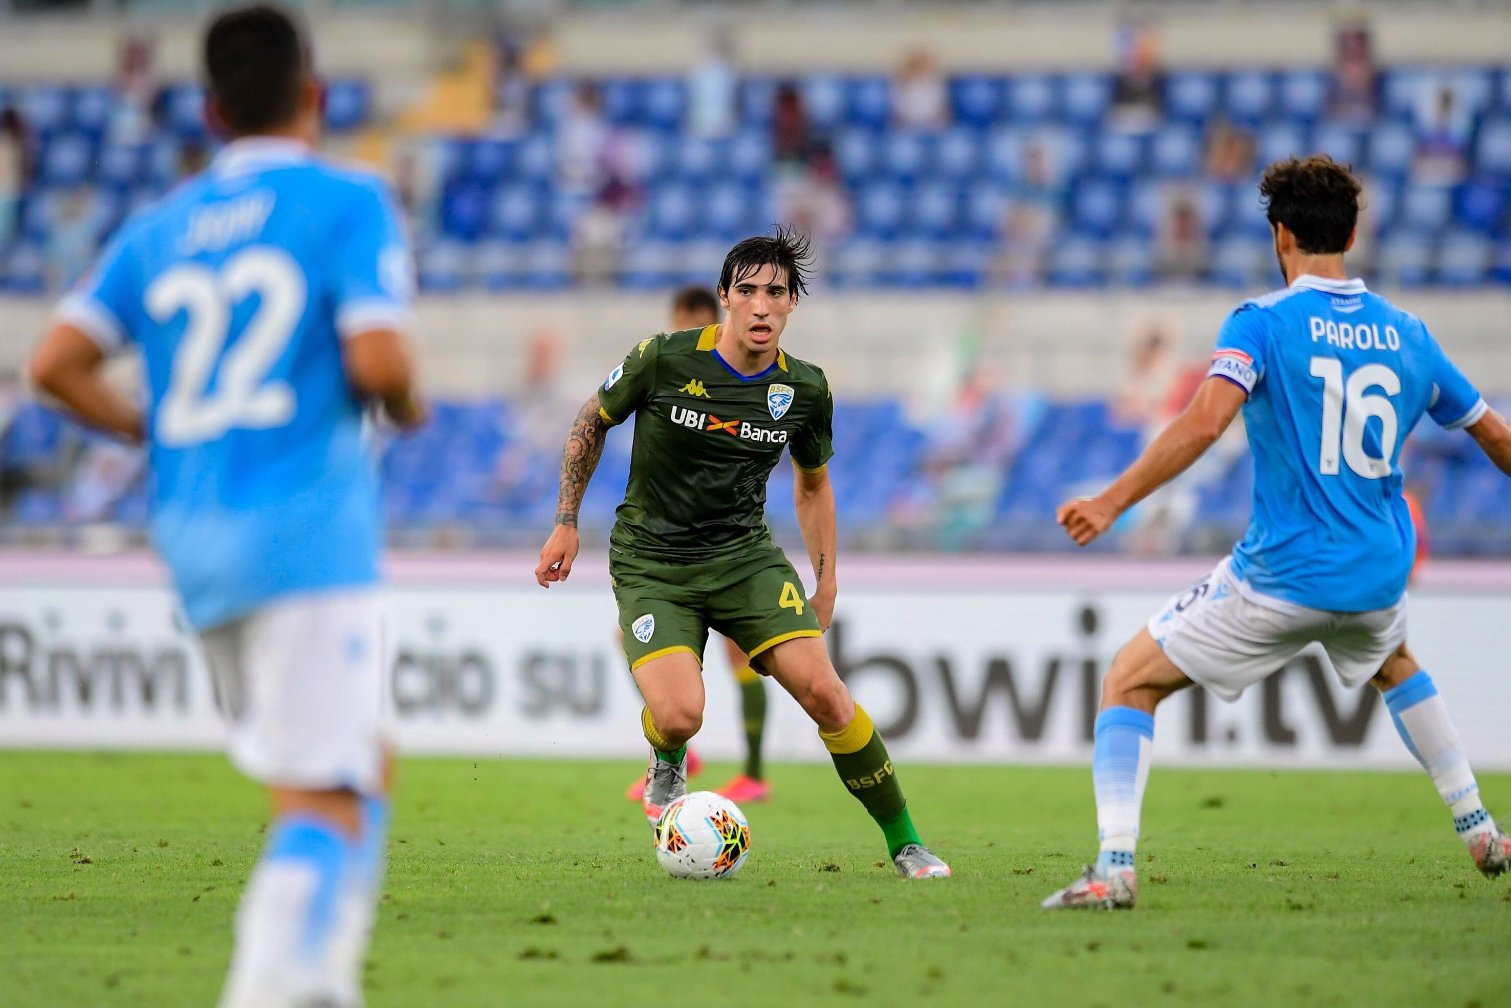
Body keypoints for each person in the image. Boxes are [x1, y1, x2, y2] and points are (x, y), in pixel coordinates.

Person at [27, 5, 426, 1002]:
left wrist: (150, 430)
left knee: (363, 763)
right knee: (320, 800)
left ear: (208, 112)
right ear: (316, 97)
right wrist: (411, 402)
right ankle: (266, 992)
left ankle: (323, 983)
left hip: (196, 542)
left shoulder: (158, 229)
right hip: (303, 535)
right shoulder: (348, 200)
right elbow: (378, 361)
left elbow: (54, 363)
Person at [1042, 155, 1511, 910]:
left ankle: (1114, 867)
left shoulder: (1260, 322)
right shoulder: (1409, 334)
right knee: (1392, 658)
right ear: (1353, 233)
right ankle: (1480, 829)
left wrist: (1111, 500)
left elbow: (1204, 421)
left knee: (1127, 680)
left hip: (1283, 574)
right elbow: (1494, 439)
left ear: (1279, 234)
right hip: (1376, 571)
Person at [536, 228, 949, 879]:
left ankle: (906, 843)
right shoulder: (663, 359)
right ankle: (665, 757)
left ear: (791, 305)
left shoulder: (805, 391)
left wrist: (827, 580)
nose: (761, 306)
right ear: (725, 297)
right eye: (748, 291)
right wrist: (565, 522)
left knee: (826, 696)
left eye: (776, 293)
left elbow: (813, 485)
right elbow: (592, 419)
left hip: (744, 560)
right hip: (653, 562)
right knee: (678, 715)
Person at [623, 286, 774, 808]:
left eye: (690, 321)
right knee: (629, 641)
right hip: (670, 553)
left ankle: (754, 772)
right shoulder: (668, 367)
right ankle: (678, 744)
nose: (681, 330)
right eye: (676, 320)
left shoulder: (736, 375)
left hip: (727, 549)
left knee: (743, 658)